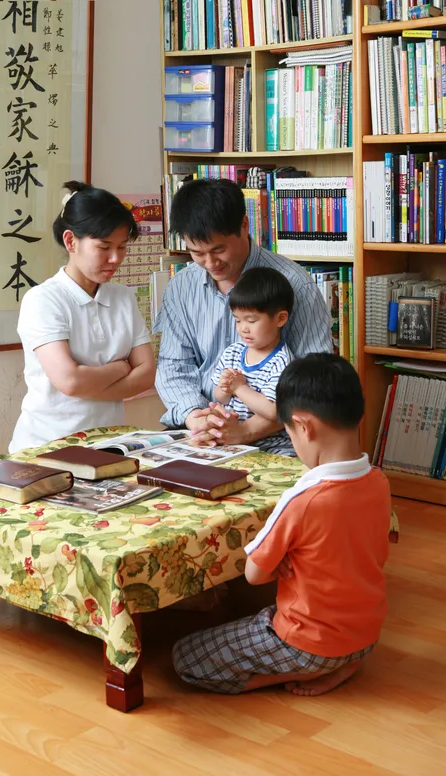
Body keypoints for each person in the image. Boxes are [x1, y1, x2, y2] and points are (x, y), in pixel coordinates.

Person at [173, 354, 391, 697]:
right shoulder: (378, 481)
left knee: (184, 657)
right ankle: (344, 662)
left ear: (304, 427)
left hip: (310, 642)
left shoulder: (304, 499)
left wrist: (281, 566)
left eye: (289, 431)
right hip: (365, 634)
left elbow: (254, 575)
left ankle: (308, 669)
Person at [153, 178, 332, 453]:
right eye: (197, 252)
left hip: (276, 434)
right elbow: (173, 368)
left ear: (244, 226)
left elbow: (312, 385)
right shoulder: (181, 287)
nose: (210, 264)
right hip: (202, 426)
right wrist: (198, 418)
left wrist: (244, 431)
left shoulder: (296, 285)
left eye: (218, 250)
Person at [9, 181, 155, 453]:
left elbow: (147, 374)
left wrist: (86, 386)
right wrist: (121, 368)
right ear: (70, 241)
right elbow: (70, 381)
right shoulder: (43, 300)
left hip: (110, 446)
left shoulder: (123, 297)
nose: (115, 258)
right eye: (104, 247)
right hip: (47, 448)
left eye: (122, 247)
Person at [213, 266, 294, 454]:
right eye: (238, 320)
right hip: (235, 443)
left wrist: (239, 388)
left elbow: (273, 411)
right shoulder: (233, 353)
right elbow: (220, 396)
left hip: (274, 446)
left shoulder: (281, 363)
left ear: (280, 319)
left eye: (251, 321)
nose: (243, 329)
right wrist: (224, 387)